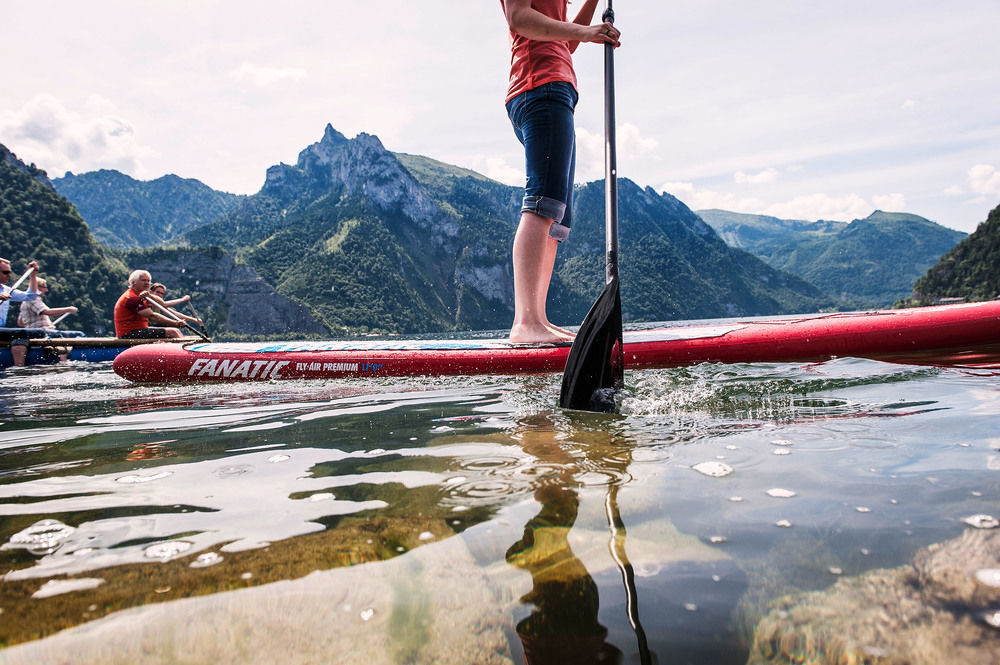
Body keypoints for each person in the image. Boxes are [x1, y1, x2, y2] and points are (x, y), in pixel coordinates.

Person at [501, 0, 620, 343]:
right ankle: (525, 322)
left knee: (556, 217)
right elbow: (520, 18)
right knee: (543, 203)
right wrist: (587, 31)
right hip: (540, 85)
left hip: (557, 89)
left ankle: (537, 319)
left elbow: (564, 42)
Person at [113, 270, 186, 339]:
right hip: (129, 334)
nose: (147, 283)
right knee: (173, 332)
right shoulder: (131, 298)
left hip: (138, 330)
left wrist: (150, 296)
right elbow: (153, 316)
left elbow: (162, 303)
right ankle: (184, 348)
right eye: (143, 280)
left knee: (175, 331)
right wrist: (175, 323)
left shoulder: (140, 295)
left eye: (148, 281)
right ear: (133, 282)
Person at [0, 257, 41, 366]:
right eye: (5, 272)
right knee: (20, 333)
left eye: (10, 272)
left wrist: (33, 275)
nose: (9, 275)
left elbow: (30, 296)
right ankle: (19, 368)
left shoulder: (6, 290)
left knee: (38, 332)